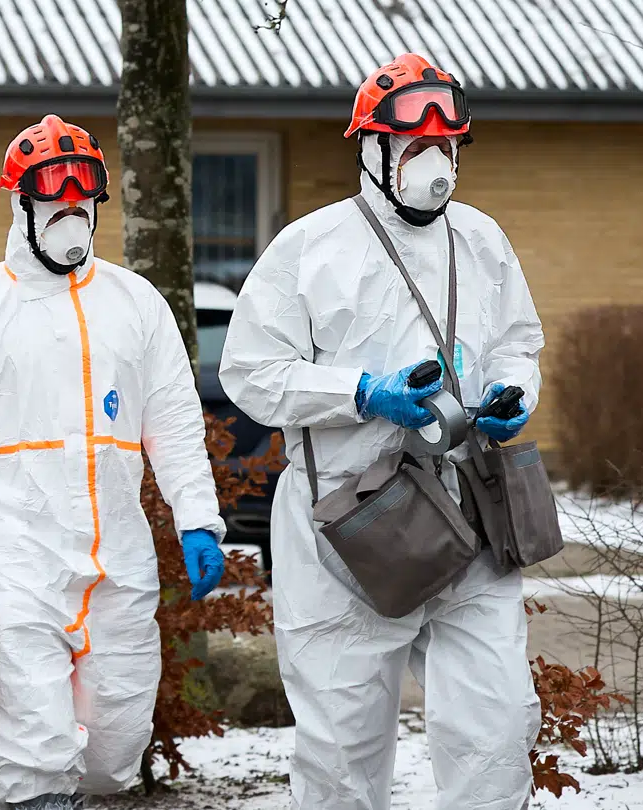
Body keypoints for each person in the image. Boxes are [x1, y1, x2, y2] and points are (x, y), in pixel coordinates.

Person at [219, 54, 545, 810]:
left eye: (446, 147)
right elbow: (250, 372)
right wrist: (361, 393)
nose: (432, 163)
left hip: (467, 511)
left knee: (495, 727)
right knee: (342, 744)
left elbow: (519, 340)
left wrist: (514, 392)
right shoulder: (310, 250)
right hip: (350, 523)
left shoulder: (483, 241)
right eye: (411, 147)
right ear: (368, 148)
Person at [0, 115, 226, 810]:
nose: (70, 210)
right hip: (18, 564)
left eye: (84, 198)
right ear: (20, 204)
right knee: (38, 753)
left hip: (118, 567)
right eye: (53, 196)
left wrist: (198, 517)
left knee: (114, 755)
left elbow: (171, 420)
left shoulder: (135, 303)